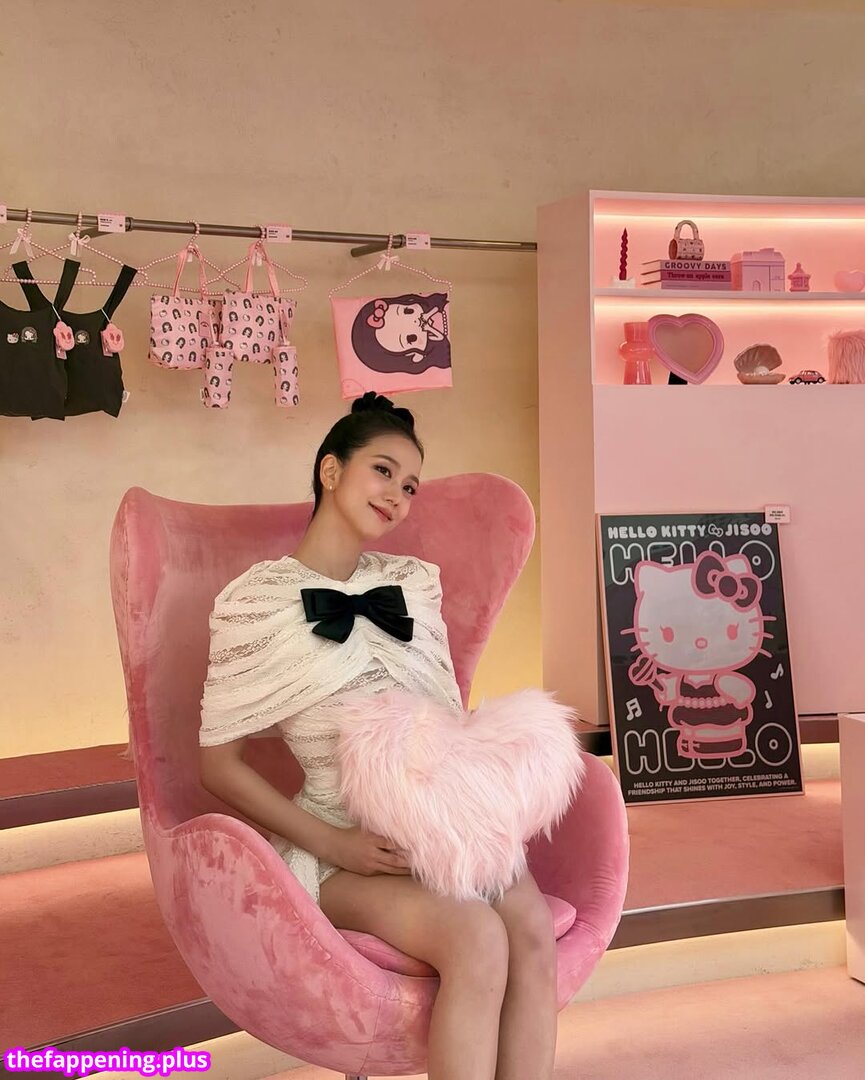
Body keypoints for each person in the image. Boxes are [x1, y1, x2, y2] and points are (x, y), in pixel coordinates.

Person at [198, 392, 558, 1080]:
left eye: (411, 486)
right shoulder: (256, 602)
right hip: (342, 847)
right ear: (331, 470)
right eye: (383, 471)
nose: (397, 494)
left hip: (441, 823)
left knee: (533, 934)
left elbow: (444, 715)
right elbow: (217, 765)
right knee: (476, 938)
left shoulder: (412, 586)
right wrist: (336, 844)